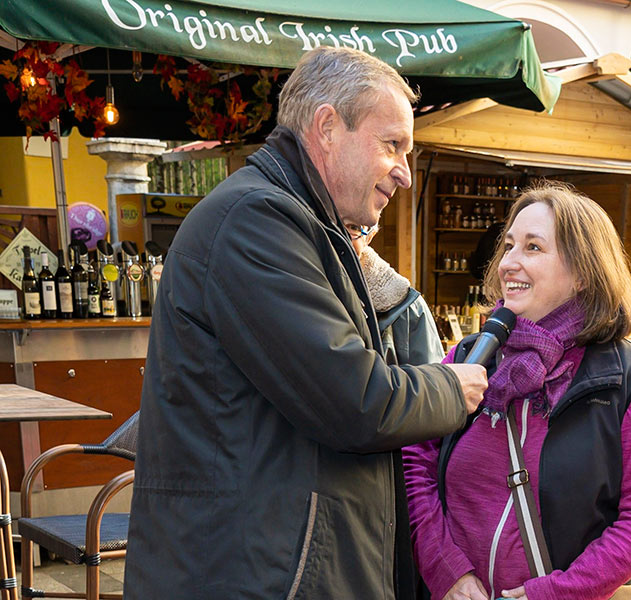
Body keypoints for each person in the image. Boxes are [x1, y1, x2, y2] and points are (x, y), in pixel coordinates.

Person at [124, 47, 488, 600]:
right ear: (326, 127)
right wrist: (450, 386)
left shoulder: (295, 220)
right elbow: (358, 402)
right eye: (392, 144)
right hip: (253, 574)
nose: (405, 174)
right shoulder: (257, 219)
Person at [403, 182, 631, 600]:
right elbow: (416, 466)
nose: (509, 263)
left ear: (584, 272)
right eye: (509, 245)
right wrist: (446, 571)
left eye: (533, 248)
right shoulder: (468, 359)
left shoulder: (627, 381)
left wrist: (554, 593)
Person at [345, 221, 445, 365]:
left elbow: (432, 382)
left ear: (370, 237)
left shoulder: (409, 309)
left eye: (353, 228)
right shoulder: (306, 294)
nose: (339, 236)